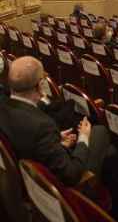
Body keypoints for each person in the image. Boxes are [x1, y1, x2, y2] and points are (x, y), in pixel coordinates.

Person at [0, 57, 109, 186]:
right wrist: (83, 137)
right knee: (100, 131)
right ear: (40, 86)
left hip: (18, 177)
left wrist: (56, 141)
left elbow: (25, 143)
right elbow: (70, 175)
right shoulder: (42, 125)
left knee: (111, 155)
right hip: (50, 188)